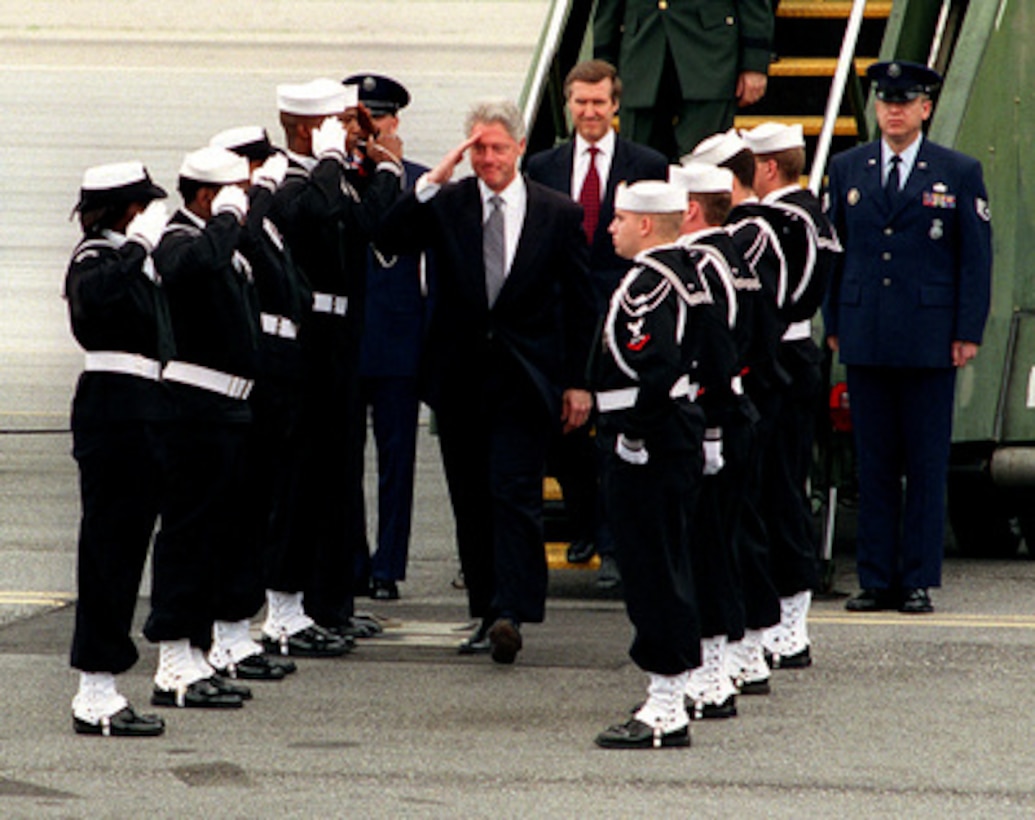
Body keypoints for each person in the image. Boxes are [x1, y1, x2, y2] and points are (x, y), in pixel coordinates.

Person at [377, 99, 596, 664]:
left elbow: (579, 303)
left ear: (520, 147)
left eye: (498, 147)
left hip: (526, 382)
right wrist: (431, 180)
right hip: (459, 380)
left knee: (514, 494)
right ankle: (484, 609)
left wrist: (578, 382)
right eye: (479, 148)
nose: (489, 158)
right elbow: (388, 238)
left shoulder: (558, 212)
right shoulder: (446, 204)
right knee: (470, 499)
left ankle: (510, 611)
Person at [823, 61, 992, 614]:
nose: (894, 110)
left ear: (925, 109)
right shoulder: (849, 168)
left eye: (906, 101)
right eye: (885, 101)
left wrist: (967, 331)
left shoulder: (958, 171)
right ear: (876, 107)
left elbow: (975, 259)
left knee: (923, 463)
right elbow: (834, 254)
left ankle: (916, 578)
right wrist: (835, 323)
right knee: (872, 463)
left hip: (928, 336)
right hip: (866, 332)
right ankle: (875, 578)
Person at [592, 180, 735, 749]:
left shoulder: (647, 283)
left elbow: (652, 367)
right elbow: (721, 357)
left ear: (647, 225)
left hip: (651, 438)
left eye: (620, 218)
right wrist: (713, 429)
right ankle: (679, 688)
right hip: (682, 430)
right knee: (676, 559)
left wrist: (632, 434)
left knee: (653, 571)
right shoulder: (696, 275)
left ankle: (666, 706)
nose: (612, 228)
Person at [265, 78, 402, 653]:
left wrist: (386, 164)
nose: (352, 129)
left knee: (337, 473)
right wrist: (329, 156)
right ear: (307, 127)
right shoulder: (287, 178)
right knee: (304, 476)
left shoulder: (334, 173)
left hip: (342, 335)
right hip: (309, 336)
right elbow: (320, 214)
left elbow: (373, 221)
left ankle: (328, 602)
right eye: (341, 121)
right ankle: (286, 606)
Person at [525, 58, 668, 587]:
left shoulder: (648, 163)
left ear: (615, 106)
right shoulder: (543, 166)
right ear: (569, 105)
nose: (589, 111)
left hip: (623, 312)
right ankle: (586, 521)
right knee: (560, 427)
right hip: (560, 316)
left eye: (598, 102)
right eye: (580, 102)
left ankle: (612, 544)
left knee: (616, 427)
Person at [145, 146, 259, 709]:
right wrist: (227, 219)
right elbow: (191, 268)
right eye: (236, 189)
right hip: (193, 408)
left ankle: (195, 653)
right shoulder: (179, 239)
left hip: (229, 411)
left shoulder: (218, 240)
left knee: (217, 537)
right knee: (187, 536)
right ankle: (170, 661)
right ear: (208, 195)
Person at [66, 161, 173, 737]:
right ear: (124, 209)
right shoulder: (94, 257)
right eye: (143, 204)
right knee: (107, 554)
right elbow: (95, 302)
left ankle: (104, 684)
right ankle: (94, 692)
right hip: (114, 412)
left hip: (142, 409)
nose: (151, 212)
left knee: (126, 552)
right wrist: (136, 248)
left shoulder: (131, 257)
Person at [206, 125, 308, 680]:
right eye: (260, 164)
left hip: (281, 369)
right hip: (257, 371)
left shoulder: (260, 219)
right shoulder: (233, 222)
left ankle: (237, 629)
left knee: (267, 501)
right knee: (241, 509)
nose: (269, 172)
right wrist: (258, 194)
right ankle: (226, 634)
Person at [740, 121, 840, 667]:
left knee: (774, 487)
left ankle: (789, 623)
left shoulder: (772, 221)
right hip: (797, 355)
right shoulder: (812, 214)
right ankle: (789, 618)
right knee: (785, 482)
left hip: (775, 353)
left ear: (768, 167)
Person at [669, 161, 762, 716]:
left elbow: (709, 350)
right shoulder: (732, 255)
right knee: (720, 546)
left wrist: (706, 429)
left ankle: (711, 674)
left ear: (692, 210)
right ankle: (724, 662)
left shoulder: (701, 264)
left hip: (713, 417)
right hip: (734, 411)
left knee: (705, 549)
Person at [344, 72, 431, 602]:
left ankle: (387, 565)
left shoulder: (419, 182)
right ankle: (350, 559)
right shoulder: (334, 179)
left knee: (397, 462)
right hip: (346, 340)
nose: (366, 128)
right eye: (357, 118)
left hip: (399, 338)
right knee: (343, 460)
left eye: (374, 118)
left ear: (394, 122)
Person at [593, 0, 774, 161]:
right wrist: (602, 69)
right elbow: (607, 9)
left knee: (704, 166)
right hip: (641, 55)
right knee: (639, 168)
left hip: (709, 58)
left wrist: (754, 64)